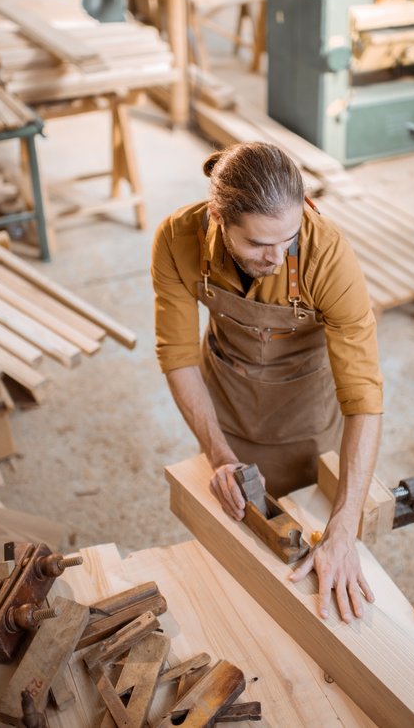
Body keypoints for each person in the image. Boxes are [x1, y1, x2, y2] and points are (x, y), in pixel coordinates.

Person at [152, 142, 383, 622]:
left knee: (308, 527)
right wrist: (218, 454)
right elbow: (176, 355)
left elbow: (363, 395)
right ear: (218, 217)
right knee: (234, 538)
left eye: (289, 238)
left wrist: (344, 525)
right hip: (226, 398)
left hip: (305, 407)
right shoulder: (176, 239)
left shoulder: (328, 256)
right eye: (258, 244)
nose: (277, 258)